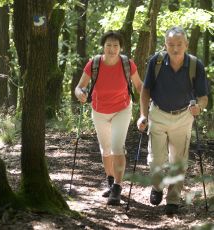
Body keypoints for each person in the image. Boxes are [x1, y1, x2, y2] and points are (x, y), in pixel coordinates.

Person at [137, 26, 209, 215]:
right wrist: (143, 115)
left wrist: (198, 107)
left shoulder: (195, 65)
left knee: (178, 161)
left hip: (183, 116)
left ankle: (173, 200)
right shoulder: (157, 62)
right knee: (156, 161)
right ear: (165, 45)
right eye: (170, 45)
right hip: (158, 114)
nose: (175, 49)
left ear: (186, 45)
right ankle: (157, 186)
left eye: (179, 44)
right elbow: (145, 91)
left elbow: (203, 97)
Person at [75, 30, 142, 205]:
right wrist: (80, 93)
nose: (112, 49)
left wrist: (147, 104)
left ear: (120, 47)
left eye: (115, 46)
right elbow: (79, 87)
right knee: (105, 149)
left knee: (117, 147)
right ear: (103, 47)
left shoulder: (127, 64)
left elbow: (139, 86)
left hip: (122, 109)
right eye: (108, 45)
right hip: (99, 110)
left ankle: (118, 188)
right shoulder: (94, 63)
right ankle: (111, 181)